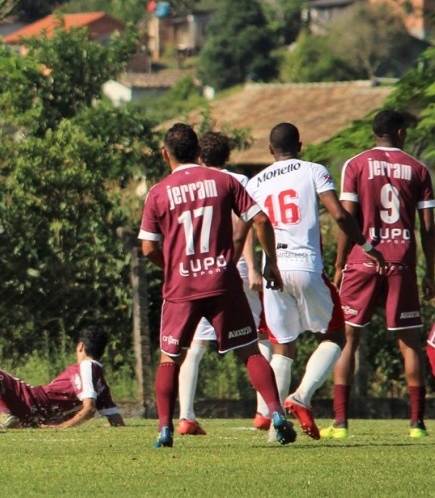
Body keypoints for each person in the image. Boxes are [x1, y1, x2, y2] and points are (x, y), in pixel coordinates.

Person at [138, 123, 296, 448]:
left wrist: (174, 268)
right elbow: (261, 220)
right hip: (222, 281)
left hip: (181, 287)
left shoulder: (158, 192)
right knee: (250, 352)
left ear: (165, 154)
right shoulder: (223, 181)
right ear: (198, 152)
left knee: (171, 357)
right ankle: (277, 414)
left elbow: (148, 248)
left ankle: (166, 429)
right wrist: (272, 263)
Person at [245, 122, 385, 440]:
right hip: (307, 266)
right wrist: (366, 247)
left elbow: (245, 229)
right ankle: (301, 396)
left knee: (282, 347)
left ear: (270, 150)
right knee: (336, 336)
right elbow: (338, 214)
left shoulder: (255, 182)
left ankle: (276, 425)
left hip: (273, 271)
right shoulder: (314, 170)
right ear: (301, 144)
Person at [324, 109, 435, 439]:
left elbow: (346, 219)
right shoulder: (418, 169)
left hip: (364, 258)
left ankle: (341, 423)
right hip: (401, 258)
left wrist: (341, 264)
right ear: (400, 133)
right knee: (409, 342)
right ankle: (417, 424)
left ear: (374, 133)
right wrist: (430, 271)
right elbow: (428, 228)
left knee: (348, 339)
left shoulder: (355, 165)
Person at [175, 131, 269, 436]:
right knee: (257, 339)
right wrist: (254, 267)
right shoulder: (240, 180)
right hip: (237, 267)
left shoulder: (192, 183)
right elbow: (252, 222)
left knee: (197, 346)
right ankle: (264, 410)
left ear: (200, 155)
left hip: (201, 270)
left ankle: (187, 415)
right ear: (228, 155)